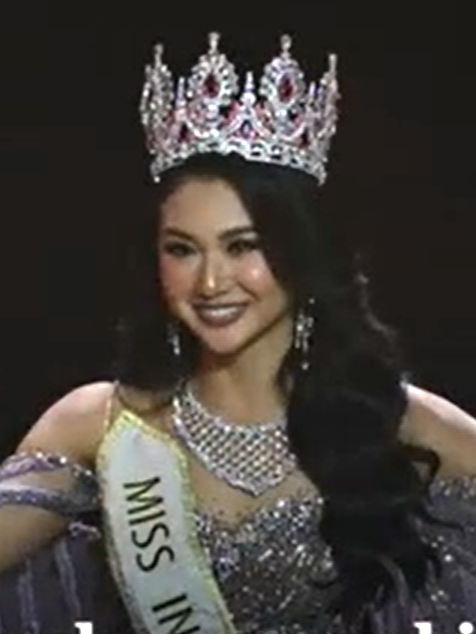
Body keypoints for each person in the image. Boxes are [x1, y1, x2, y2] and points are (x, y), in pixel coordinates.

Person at [1, 31, 476, 634]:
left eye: (242, 246)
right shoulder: (103, 424)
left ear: (301, 253)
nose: (210, 282)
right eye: (182, 249)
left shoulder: (397, 421)